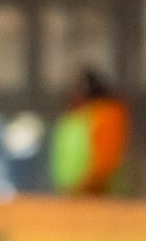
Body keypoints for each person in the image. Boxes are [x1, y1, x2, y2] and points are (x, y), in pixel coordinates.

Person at [51, 67, 131, 197]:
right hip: (75, 191)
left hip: (95, 192)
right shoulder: (77, 119)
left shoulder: (105, 115)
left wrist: (91, 183)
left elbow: (105, 158)